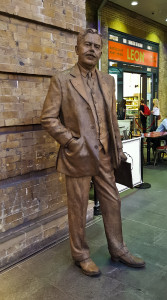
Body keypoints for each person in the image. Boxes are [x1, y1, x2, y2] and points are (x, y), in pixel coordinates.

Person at [41, 28, 145, 277]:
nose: (92, 50)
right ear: (77, 49)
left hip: (106, 155)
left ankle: (118, 249)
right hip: (78, 155)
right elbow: (48, 118)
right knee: (78, 207)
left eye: (97, 46)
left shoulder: (108, 81)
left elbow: (110, 118)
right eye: (87, 45)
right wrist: (70, 141)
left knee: (112, 201)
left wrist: (118, 149)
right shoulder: (62, 80)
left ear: (100, 52)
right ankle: (81, 255)